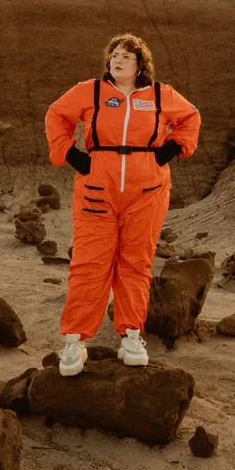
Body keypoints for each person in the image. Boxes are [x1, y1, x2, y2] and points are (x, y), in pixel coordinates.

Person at [44, 32, 201, 374]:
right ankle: (74, 341)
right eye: (114, 55)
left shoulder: (160, 95)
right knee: (89, 263)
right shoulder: (90, 91)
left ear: (140, 64)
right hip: (97, 188)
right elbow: (56, 115)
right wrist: (72, 155)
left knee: (136, 263)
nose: (117, 60)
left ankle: (131, 336)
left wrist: (168, 151)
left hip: (147, 192)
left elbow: (191, 118)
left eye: (126, 56)